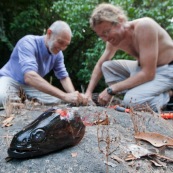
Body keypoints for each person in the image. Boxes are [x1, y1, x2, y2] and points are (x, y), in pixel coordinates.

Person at [85, 3, 173, 112]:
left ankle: (167, 97)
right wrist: (88, 93)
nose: (105, 39)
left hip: (167, 69)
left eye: (106, 32)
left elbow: (148, 73)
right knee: (107, 66)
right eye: (101, 35)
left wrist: (111, 90)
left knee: (131, 101)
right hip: (144, 67)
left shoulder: (144, 27)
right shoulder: (113, 41)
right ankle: (143, 93)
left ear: (120, 21)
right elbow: (99, 65)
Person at [0, 20, 86, 109]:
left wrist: (74, 96)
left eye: (66, 45)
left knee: (58, 101)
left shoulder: (58, 54)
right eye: (60, 42)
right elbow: (29, 77)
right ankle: (21, 101)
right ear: (49, 33)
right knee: (2, 97)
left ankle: (22, 101)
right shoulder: (28, 42)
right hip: (9, 80)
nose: (62, 48)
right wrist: (64, 95)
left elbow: (63, 77)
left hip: (30, 88)